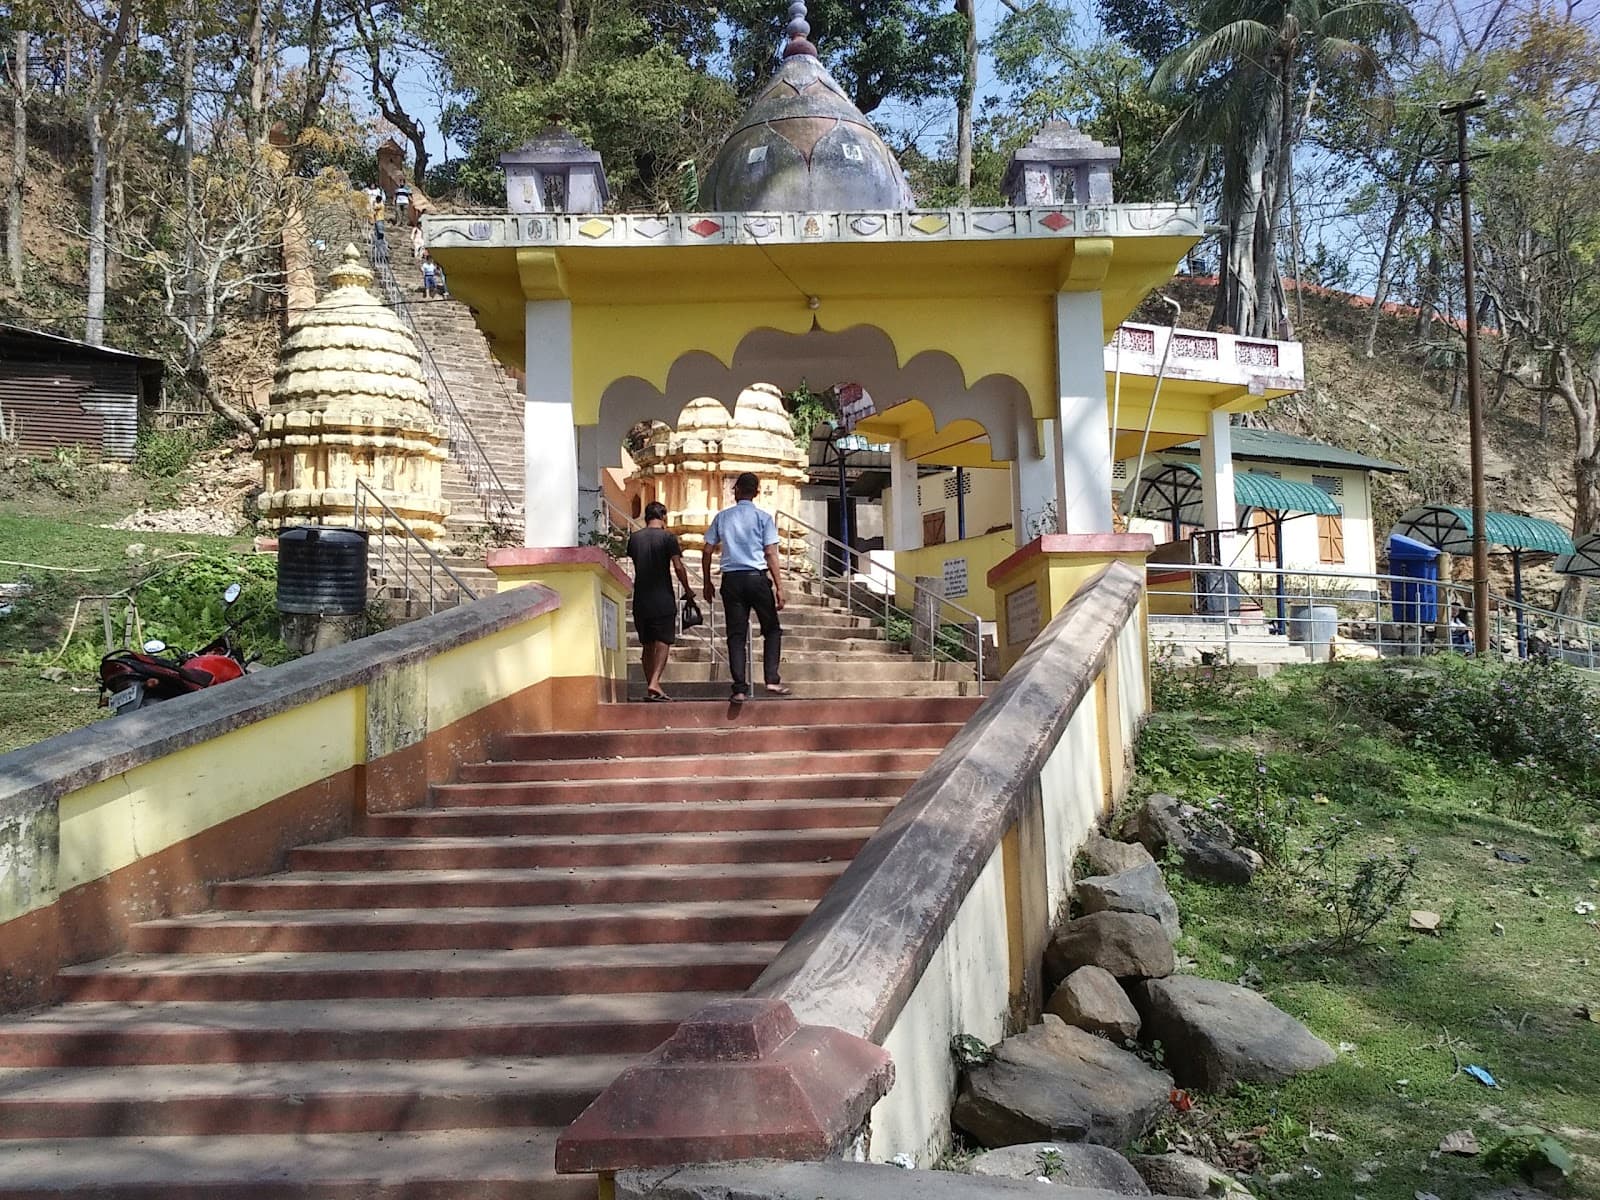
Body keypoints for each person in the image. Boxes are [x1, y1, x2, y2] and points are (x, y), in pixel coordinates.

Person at [702, 472, 787, 703]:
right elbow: (770, 552)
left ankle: (739, 688)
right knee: (772, 629)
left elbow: (707, 550)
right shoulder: (763, 518)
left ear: (736, 490)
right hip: (756, 578)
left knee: (736, 635)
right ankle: (771, 679)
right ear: (757, 492)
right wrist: (779, 586)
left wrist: (707, 581)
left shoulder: (722, 517)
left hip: (732, 580)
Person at [627, 501, 692, 702]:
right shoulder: (668, 538)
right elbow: (678, 566)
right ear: (663, 517)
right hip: (662, 596)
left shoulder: (634, 538)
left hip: (641, 598)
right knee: (663, 640)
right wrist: (688, 589)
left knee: (647, 644)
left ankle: (651, 686)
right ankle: (655, 681)